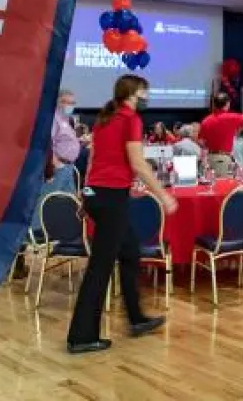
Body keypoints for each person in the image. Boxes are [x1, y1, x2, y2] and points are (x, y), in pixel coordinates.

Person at [67, 75, 178, 353]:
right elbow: (138, 163)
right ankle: (81, 336)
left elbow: (93, 160)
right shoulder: (130, 119)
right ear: (134, 93)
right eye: (145, 92)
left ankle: (136, 318)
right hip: (112, 197)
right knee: (100, 268)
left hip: (98, 195)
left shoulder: (106, 118)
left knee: (130, 254)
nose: (147, 97)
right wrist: (163, 195)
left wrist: (86, 196)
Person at [198, 92, 243, 177]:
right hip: (223, 160)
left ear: (214, 104)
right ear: (227, 104)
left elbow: (200, 142)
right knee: (224, 186)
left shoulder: (206, 121)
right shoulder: (231, 118)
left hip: (209, 159)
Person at [51, 89, 82, 164]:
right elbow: (48, 143)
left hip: (68, 165)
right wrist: (55, 162)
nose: (71, 106)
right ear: (59, 102)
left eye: (73, 103)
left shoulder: (67, 120)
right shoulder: (54, 119)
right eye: (68, 103)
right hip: (59, 165)